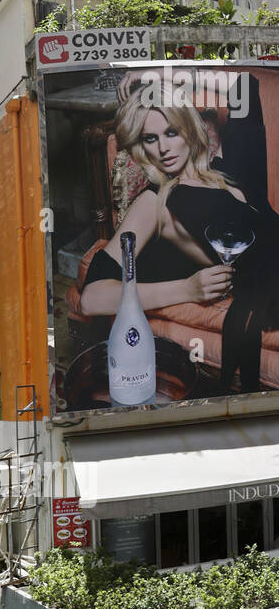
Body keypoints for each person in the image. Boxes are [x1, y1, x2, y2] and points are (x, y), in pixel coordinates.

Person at [80, 72, 279, 394]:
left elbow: (244, 86)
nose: (163, 149)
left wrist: (157, 75)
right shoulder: (154, 201)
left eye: (171, 132)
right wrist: (186, 289)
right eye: (150, 138)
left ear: (188, 127)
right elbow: (92, 298)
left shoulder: (226, 169)